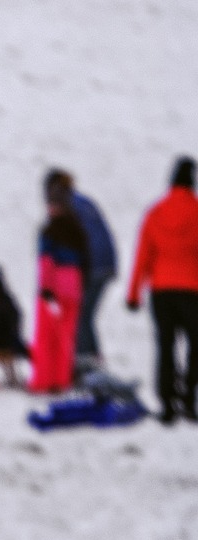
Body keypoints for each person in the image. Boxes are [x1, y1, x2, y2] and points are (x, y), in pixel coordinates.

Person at [126, 156, 198, 424]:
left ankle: (167, 404)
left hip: (162, 292)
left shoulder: (155, 213)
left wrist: (134, 294)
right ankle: (189, 398)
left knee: (165, 346)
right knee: (195, 346)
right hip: (193, 290)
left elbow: (143, 256)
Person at [44, 170, 120, 362]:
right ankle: (92, 359)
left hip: (92, 265)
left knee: (80, 315)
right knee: (85, 315)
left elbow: (70, 242)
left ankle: (86, 363)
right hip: (106, 263)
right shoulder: (84, 201)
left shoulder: (67, 206)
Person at [29, 185, 92, 394]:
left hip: (54, 288)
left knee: (46, 338)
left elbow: (46, 262)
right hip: (73, 289)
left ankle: (43, 381)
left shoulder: (49, 231)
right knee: (66, 338)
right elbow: (86, 262)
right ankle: (62, 380)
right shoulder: (78, 231)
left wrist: (46, 289)